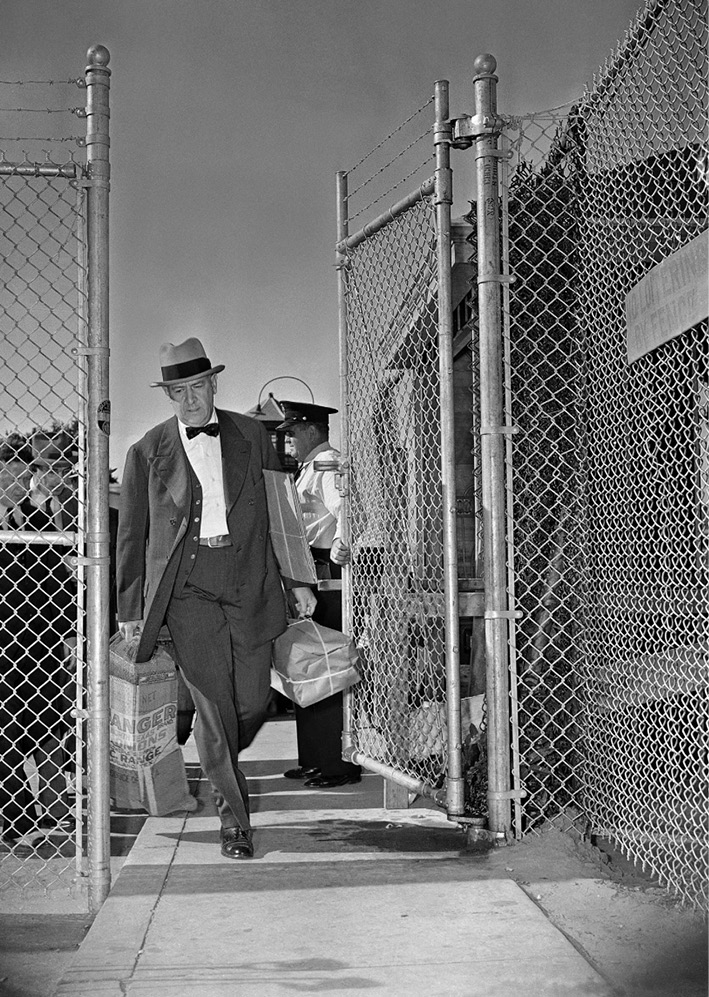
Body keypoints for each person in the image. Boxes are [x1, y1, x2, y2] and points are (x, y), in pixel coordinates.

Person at [116, 338, 316, 859]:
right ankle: (236, 822)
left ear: (213, 384)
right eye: (178, 392)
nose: (190, 401)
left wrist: (298, 578)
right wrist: (131, 612)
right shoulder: (146, 450)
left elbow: (282, 511)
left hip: (249, 581)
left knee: (250, 703)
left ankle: (215, 746)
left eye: (197, 387)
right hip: (188, 592)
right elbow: (131, 536)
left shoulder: (252, 433)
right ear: (169, 396)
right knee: (212, 706)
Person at [277, 401, 361, 788]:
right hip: (306, 569)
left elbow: (346, 509)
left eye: (293, 431)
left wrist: (343, 544)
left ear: (312, 430)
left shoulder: (328, 463)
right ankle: (314, 757)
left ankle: (336, 764)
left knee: (325, 667)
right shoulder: (308, 468)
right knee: (304, 665)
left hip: (325, 570)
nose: (289, 439)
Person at [0, 440, 73, 850]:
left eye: (16, 475)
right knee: (10, 730)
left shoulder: (35, 519)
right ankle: (20, 813)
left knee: (42, 722)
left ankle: (39, 806)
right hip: (13, 638)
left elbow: (57, 579)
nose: (11, 484)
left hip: (35, 639)